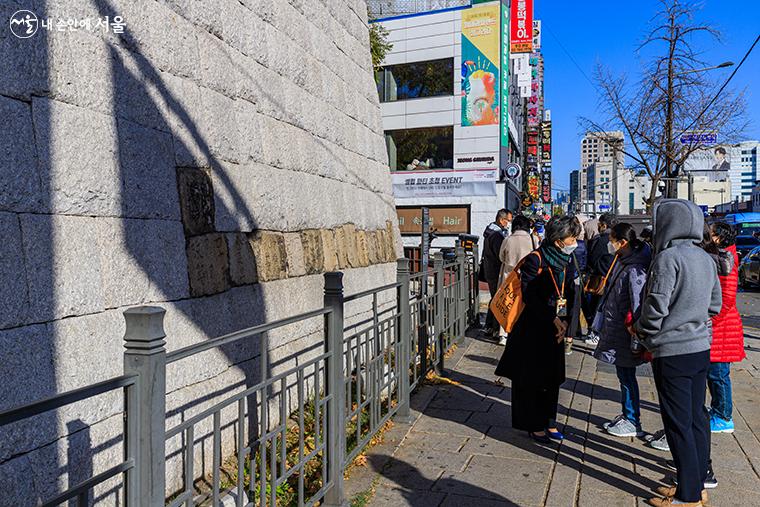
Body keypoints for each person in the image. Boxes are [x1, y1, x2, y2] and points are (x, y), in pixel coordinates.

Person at [631, 199, 722, 507]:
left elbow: (656, 307)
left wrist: (642, 330)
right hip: (700, 348)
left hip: (672, 350)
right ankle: (694, 484)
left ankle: (689, 497)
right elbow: (715, 305)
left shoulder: (668, 258)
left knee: (677, 423)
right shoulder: (706, 258)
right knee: (696, 418)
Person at [495, 216, 581, 444]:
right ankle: (534, 424)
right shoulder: (536, 259)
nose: (574, 242)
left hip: (557, 328)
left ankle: (550, 421)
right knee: (531, 378)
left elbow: (571, 293)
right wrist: (553, 319)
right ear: (557, 240)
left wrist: (567, 324)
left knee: (552, 378)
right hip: (533, 328)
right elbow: (530, 297)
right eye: (571, 238)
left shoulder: (568, 259)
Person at [592, 223, 651, 437]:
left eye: (612, 239)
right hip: (617, 328)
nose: (609, 243)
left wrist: (636, 335)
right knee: (623, 374)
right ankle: (628, 416)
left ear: (622, 242)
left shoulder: (635, 268)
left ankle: (632, 419)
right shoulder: (624, 261)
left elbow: (637, 304)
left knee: (626, 375)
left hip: (626, 332)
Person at [706, 221, 745, 433]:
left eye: (711, 234)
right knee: (715, 375)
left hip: (722, 328)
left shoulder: (727, 260)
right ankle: (718, 411)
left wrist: (710, 321)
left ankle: (723, 417)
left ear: (719, 238)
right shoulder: (721, 257)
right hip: (719, 326)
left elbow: (727, 298)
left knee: (719, 375)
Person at [496, 215, 538, 344]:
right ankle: (523, 331)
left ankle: (503, 334)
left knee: (506, 304)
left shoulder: (508, 239)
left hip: (509, 276)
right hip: (527, 277)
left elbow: (501, 257)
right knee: (524, 304)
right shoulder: (533, 239)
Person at [584, 212, 618, 345]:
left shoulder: (601, 239)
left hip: (600, 279)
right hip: (613, 276)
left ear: (604, 225)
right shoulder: (616, 240)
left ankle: (595, 334)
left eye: (599, 224)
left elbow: (593, 260)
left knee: (596, 306)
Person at [482, 209, 513, 338]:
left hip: (490, 269)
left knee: (495, 298)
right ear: (501, 220)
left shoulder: (492, 231)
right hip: (495, 271)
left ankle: (489, 326)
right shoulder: (496, 235)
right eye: (509, 221)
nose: (509, 223)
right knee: (498, 300)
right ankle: (495, 329)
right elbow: (500, 255)